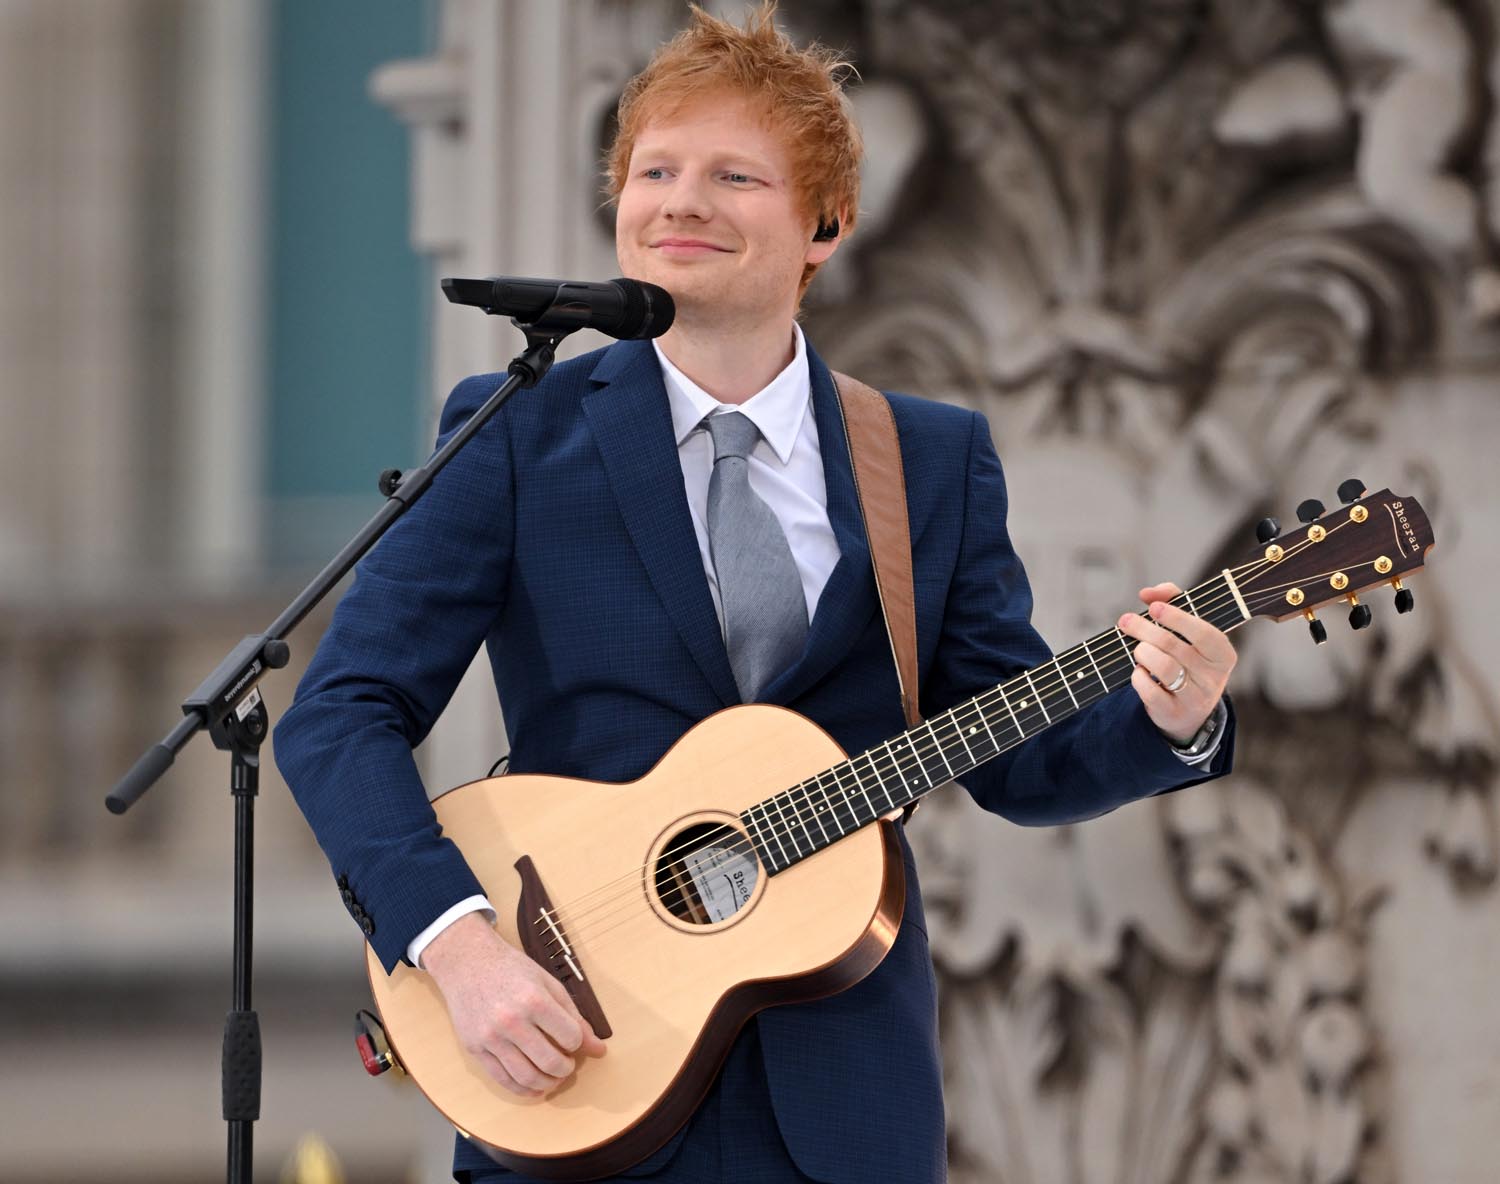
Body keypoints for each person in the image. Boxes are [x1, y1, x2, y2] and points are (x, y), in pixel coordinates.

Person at [274, 4, 1238, 1181]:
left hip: (840, 1118)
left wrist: (1168, 716)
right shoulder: (515, 432)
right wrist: (460, 947)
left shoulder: (927, 462)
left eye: (734, 174)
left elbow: (1013, 755)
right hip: (581, 1078)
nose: (679, 201)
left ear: (824, 224)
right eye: (653, 170)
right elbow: (338, 713)